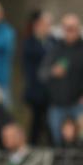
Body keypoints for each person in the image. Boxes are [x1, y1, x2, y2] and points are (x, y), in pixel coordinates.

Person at [39, 14, 83, 144]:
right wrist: (53, 72)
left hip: (81, 105)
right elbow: (42, 73)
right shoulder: (55, 49)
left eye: (73, 28)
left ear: (79, 29)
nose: (69, 31)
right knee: (58, 142)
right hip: (57, 105)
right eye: (67, 28)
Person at [22, 10, 55, 145]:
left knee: (50, 125)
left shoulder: (53, 41)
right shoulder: (30, 43)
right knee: (36, 123)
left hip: (51, 92)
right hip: (36, 91)